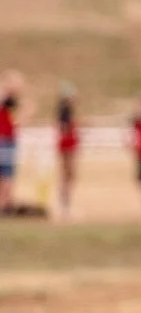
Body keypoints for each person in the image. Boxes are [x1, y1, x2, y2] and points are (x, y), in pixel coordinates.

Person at [55, 84, 79, 220]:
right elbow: (64, 129)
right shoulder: (65, 110)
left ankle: (66, 205)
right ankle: (65, 206)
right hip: (67, 146)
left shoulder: (65, 110)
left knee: (68, 176)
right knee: (67, 176)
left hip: (68, 146)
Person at [0, 85, 17, 215]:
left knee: (4, 175)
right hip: (6, 141)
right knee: (7, 175)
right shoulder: (7, 105)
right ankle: (5, 204)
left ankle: (4, 202)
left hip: (4, 141)